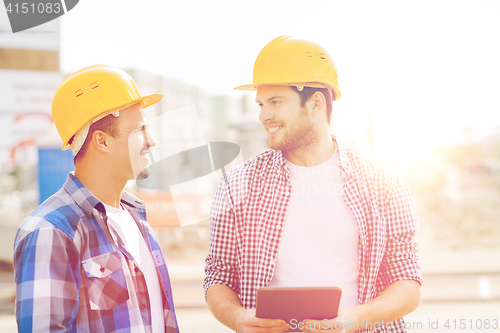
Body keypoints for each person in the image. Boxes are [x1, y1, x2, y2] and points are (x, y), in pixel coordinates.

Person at [204, 36, 422, 333]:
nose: (263, 115)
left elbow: (407, 283)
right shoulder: (237, 185)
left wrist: (353, 318)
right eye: (261, 104)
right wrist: (238, 319)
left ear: (316, 103)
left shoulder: (384, 182)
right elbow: (218, 276)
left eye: (276, 102)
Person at [13, 65, 179, 333]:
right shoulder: (51, 231)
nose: (151, 141)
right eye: (139, 130)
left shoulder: (138, 220)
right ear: (102, 141)